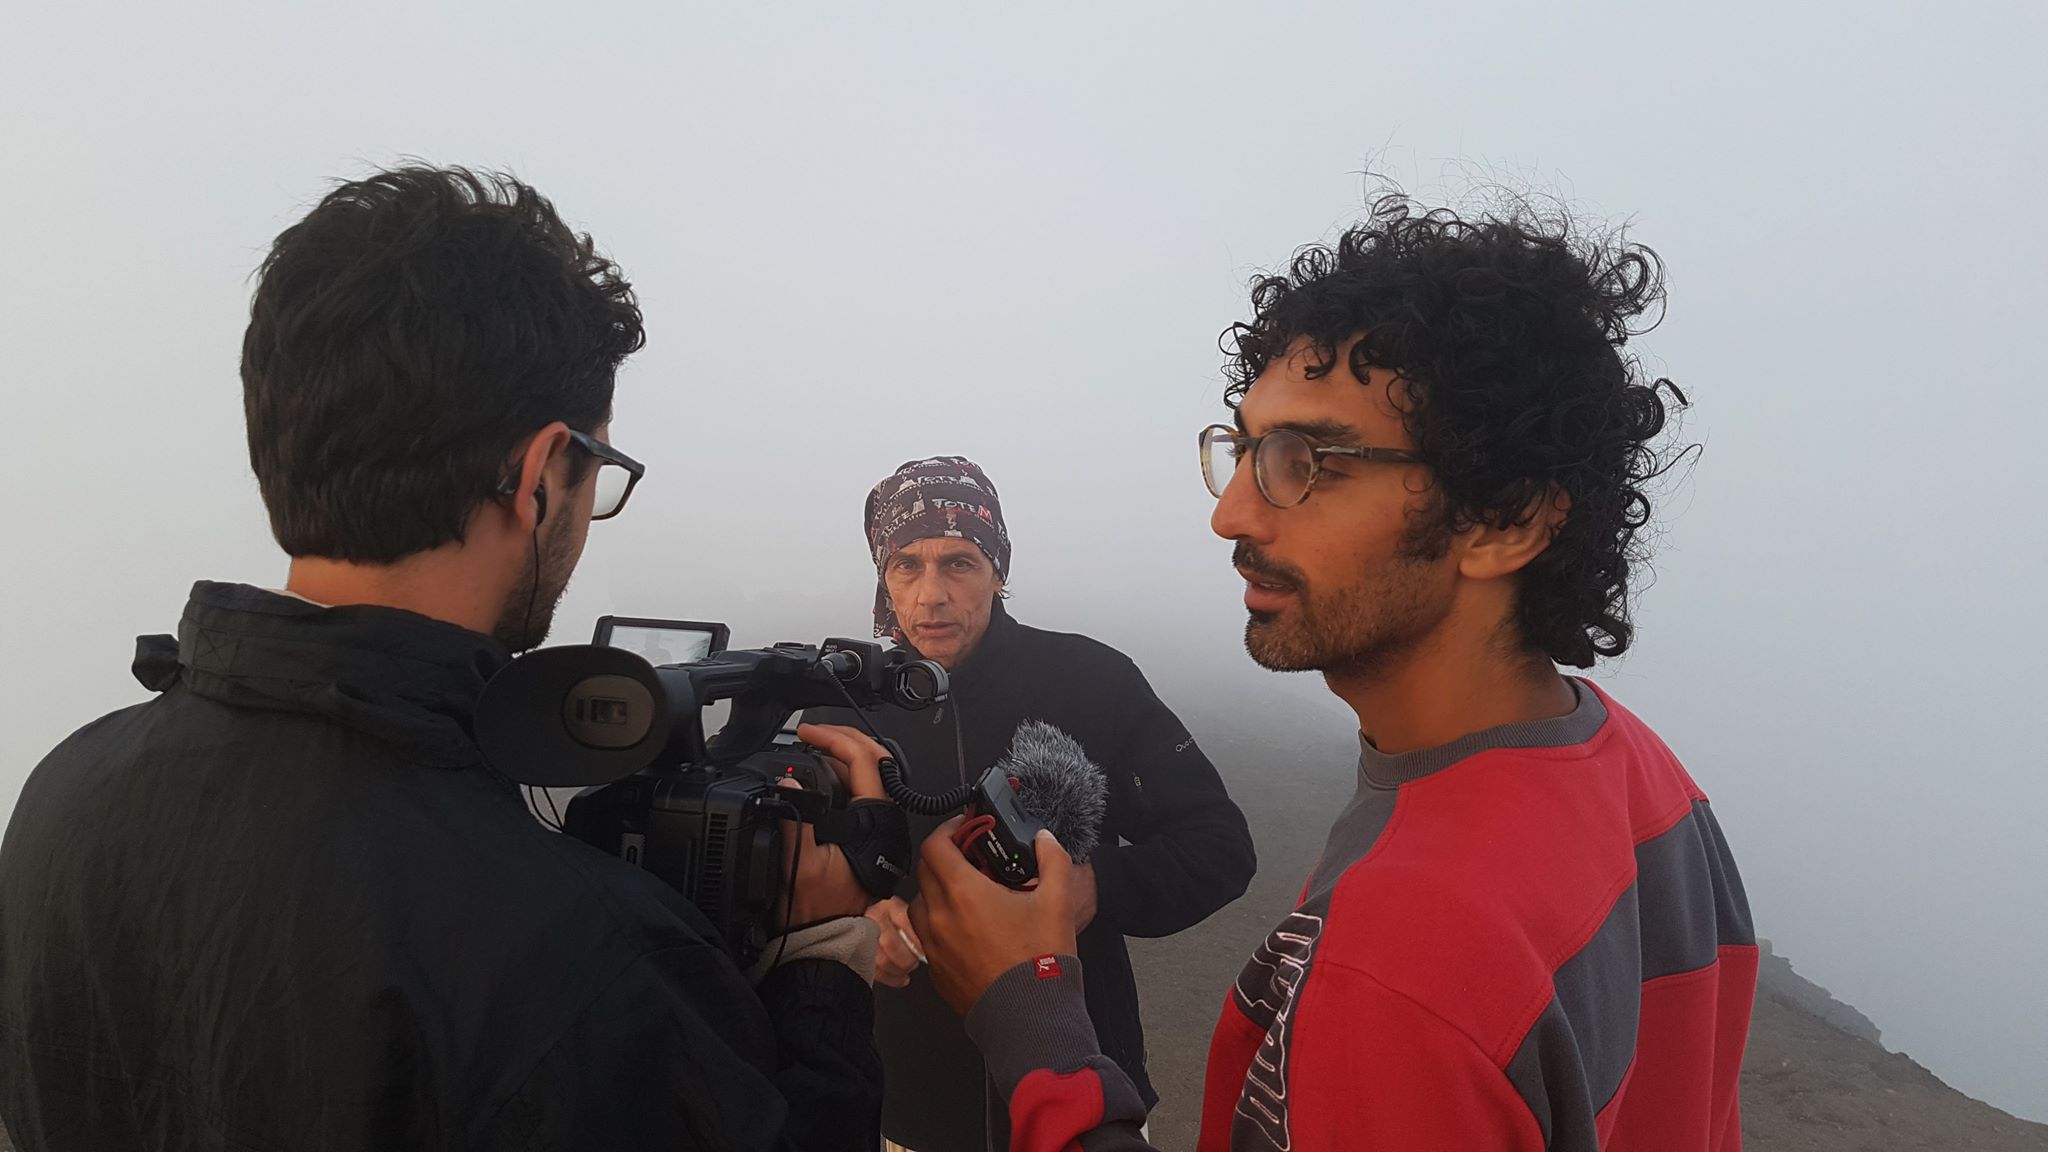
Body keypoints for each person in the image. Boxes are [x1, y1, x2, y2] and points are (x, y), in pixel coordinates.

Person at [0, 166, 892, 1150]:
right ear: (539, 473)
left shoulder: (63, 795)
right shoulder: (586, 965)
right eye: (595, 471)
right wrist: (821, 961)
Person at [909, 196, 1758, 1150]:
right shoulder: (1643, 775)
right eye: (1243, 448)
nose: (1231, 513)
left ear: (1508, 520)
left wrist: (1034, 1024)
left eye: (1303, 461)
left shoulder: (1400, 968)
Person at [806, 456, 1256, 1152]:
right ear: (882, 575)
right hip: (905, 1113)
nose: (931, 597)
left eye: (959, 563)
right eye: (906, 566)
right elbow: (785, 883)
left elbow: (1219, 846)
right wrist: (857, 929)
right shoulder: (841, 706)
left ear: (998, 568)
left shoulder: (1093, 680)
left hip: (1087, 1097)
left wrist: (1092, 887)